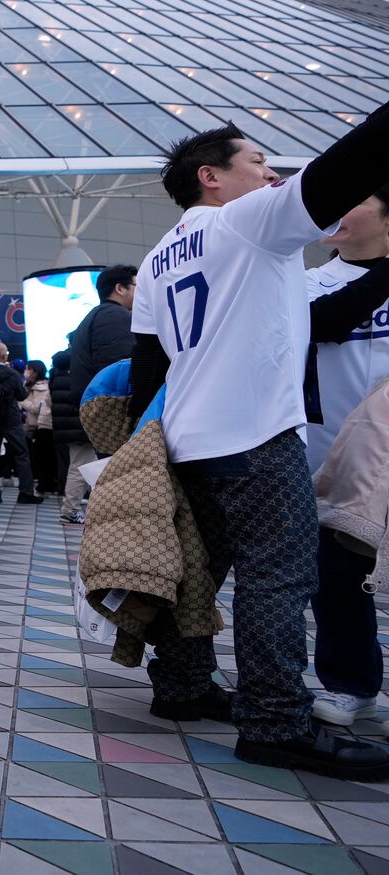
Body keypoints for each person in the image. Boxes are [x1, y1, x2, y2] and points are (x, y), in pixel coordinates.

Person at [128, 109, 389, 780]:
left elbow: (149, 365)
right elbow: (347, 166)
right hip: (256, 432)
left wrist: (141, 444)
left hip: (188, 434)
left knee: (201, 567)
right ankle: (276, 718)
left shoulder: (159, 256)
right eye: (258, 162)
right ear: (210, 177)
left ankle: (182, 683)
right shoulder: (249, 221)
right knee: (279, 575)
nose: (273, 174)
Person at [304, 184, 389, 728]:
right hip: (328, 457)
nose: (337, 210)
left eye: (355, 200)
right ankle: (352, 685)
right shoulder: (304, 284)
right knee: (337, 576)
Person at [0, 343, 42, 505]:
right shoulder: (12, 374)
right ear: (5, 356)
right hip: (11, 419)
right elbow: (21, 397)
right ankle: (25, 493)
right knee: (21, 454)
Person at [67, 264, 136, 406]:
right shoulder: (116, 316)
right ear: (120, 288)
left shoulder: (95, 316)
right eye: (137, 286)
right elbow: (118, 374)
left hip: (93, 410)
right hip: (112, 413)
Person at [49, 350, 88, 523]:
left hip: (66, 426)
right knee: (80, 467)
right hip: (79, 425)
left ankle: (72, 507)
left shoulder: (57, 370)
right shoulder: (81, 366)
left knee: (76, 466)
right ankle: (70, 510)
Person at [21, 360, 58, 494]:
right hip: (34, 426)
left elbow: (38, 408)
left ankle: (46, 484)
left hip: (42, 425)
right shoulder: (28, 386)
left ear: (36, 371)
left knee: (43, 457)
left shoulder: (42, 388)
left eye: (29, 369)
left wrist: (22, 401)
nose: (26, 372)